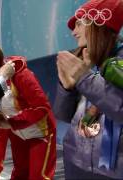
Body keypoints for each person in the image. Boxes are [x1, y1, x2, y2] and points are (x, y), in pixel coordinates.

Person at [0, 40, 56, 180]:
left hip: (41, 133)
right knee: (19, 174)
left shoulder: (20, 74)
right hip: (18, 134)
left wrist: (13, 123)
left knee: (39, 176)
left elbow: (42, 107)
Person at [54, 0, 123, 179]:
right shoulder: (88, 62)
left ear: (99, 25)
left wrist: (84, 78)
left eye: (79, 24)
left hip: (111, 172)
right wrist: (66, 89)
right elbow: (63, 115)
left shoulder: (115, 65)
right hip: (75, 163)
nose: (73, 32)